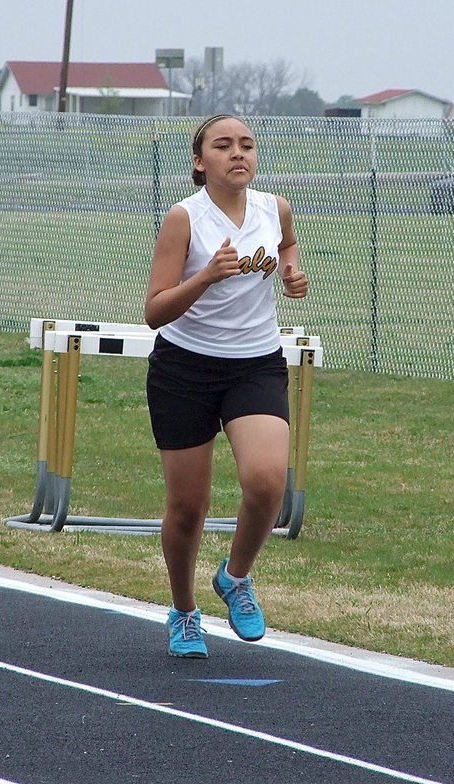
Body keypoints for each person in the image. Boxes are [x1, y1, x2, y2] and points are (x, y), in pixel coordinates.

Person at [144, 114, 308, 658]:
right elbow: (154, 311)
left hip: (254, 364)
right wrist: (206, 277)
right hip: (185, 369)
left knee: (266, 483)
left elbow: (286, 243)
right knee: (188, 507)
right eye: (223, 145)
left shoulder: (273, 207)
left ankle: (236, 578)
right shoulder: (184, 219)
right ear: (200, 161)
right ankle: (184, 612)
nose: (237, 153)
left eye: (246, 144)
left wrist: (290, 271)